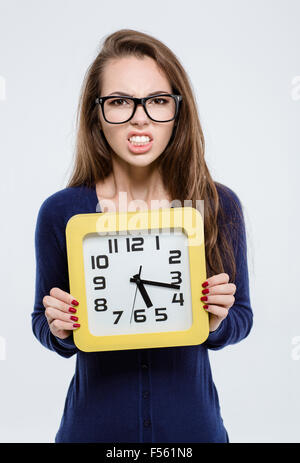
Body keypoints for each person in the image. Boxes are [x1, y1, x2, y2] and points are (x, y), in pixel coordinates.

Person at [32, 29, 253, 443]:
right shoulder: (61, 213)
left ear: (177, 110)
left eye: (157, 101)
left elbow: (242, 316)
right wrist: (58, 327)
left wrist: (218, 320)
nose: (140, 116)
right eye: (119, 101)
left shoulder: (218, 204)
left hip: (194, 433)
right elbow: (42, 323)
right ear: (96, 113)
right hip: (91, 433)